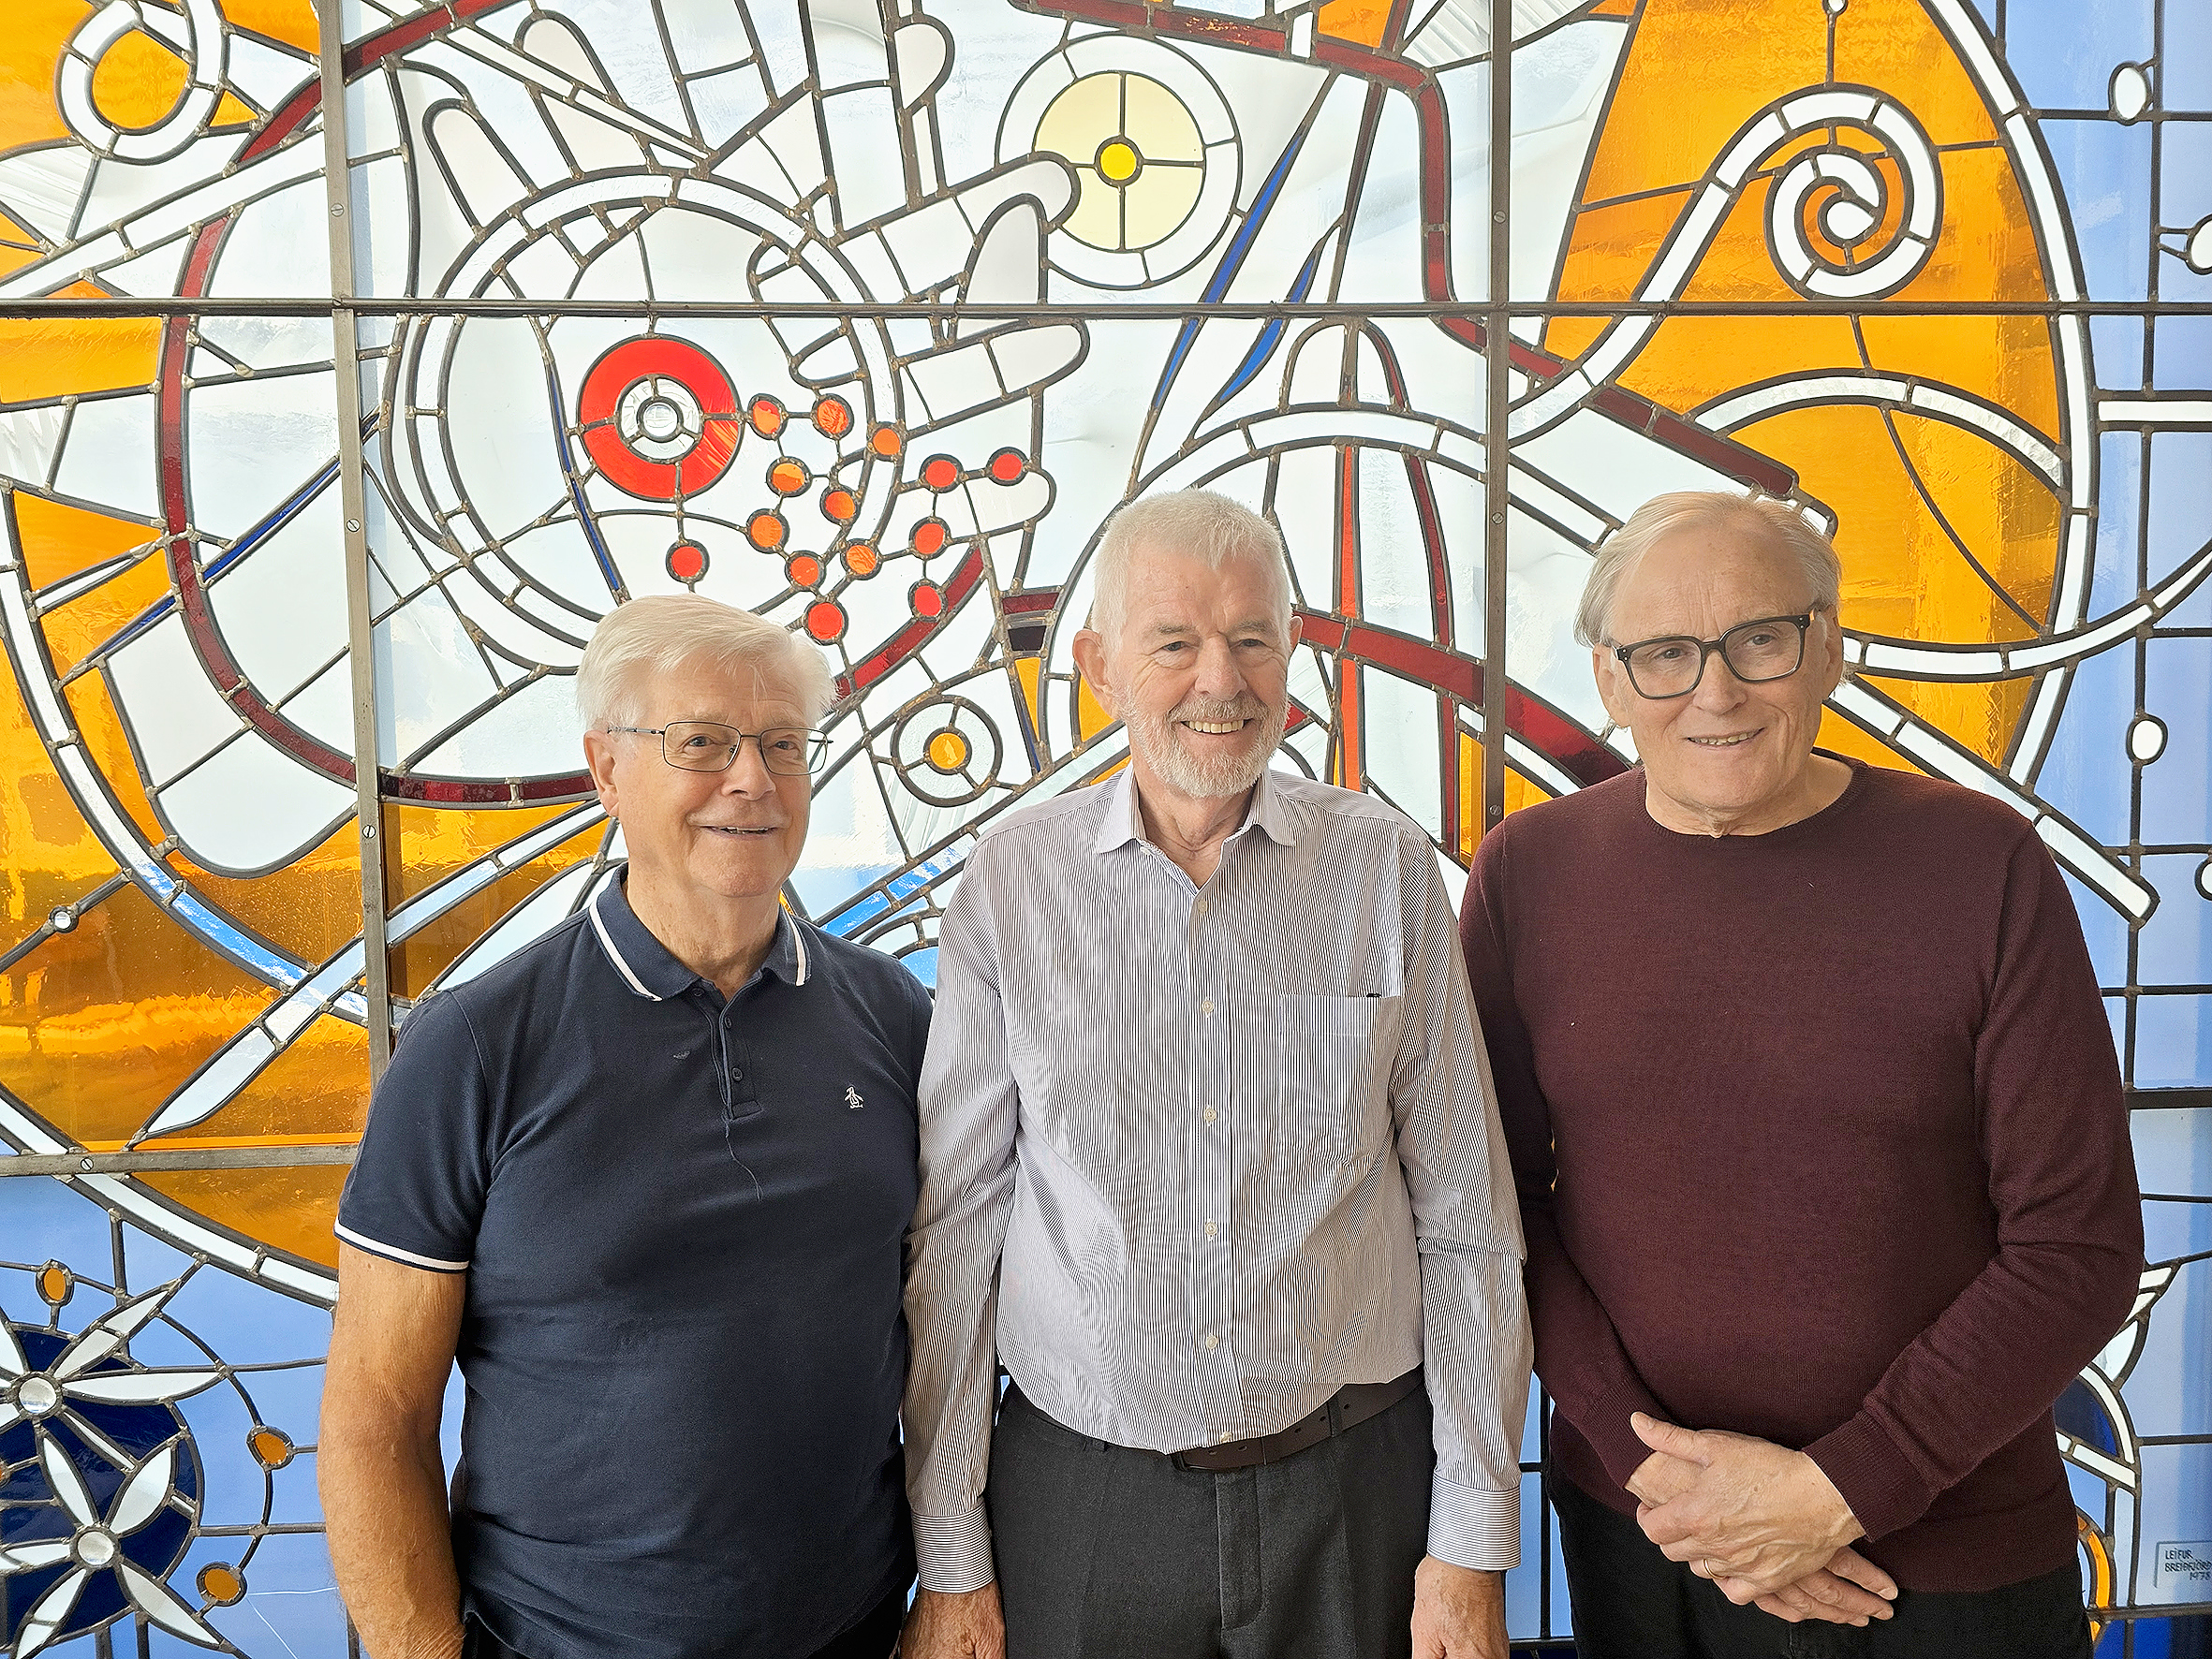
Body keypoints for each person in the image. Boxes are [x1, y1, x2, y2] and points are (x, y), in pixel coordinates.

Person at [1458, 492, 2143, 1656]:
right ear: (1610, 679)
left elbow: (2076, 1245)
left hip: (1949, 1555)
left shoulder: (1984, 864)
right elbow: (1495, 1212)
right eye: (1664, 654)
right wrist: (1687, 1497)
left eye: (1759, 640)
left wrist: (1839, 1490)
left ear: (1826, 647)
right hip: (1651, 1546)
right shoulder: (1528, 873)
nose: (1714, 691)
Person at [899, 488, 1532, 1659]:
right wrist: (949, 1553)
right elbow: (957, 1232)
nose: (1220, 680)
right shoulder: (1011, 881)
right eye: (1174, 642)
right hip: (1081, 1499)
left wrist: (1472, 1537)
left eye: (1252, 638)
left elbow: (1466, 1217)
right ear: (1098, 666)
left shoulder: (1383, 868)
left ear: (1292, 655)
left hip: (1353, 1488)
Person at [320, 595, 931, 1659]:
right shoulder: (476, 1044)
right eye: (702, 742)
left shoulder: (893, 1015)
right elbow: (376, 1415)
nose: (752, 779)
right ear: (606, 767)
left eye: (783, 743)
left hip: (861, 1630)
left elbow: (956, 1330)